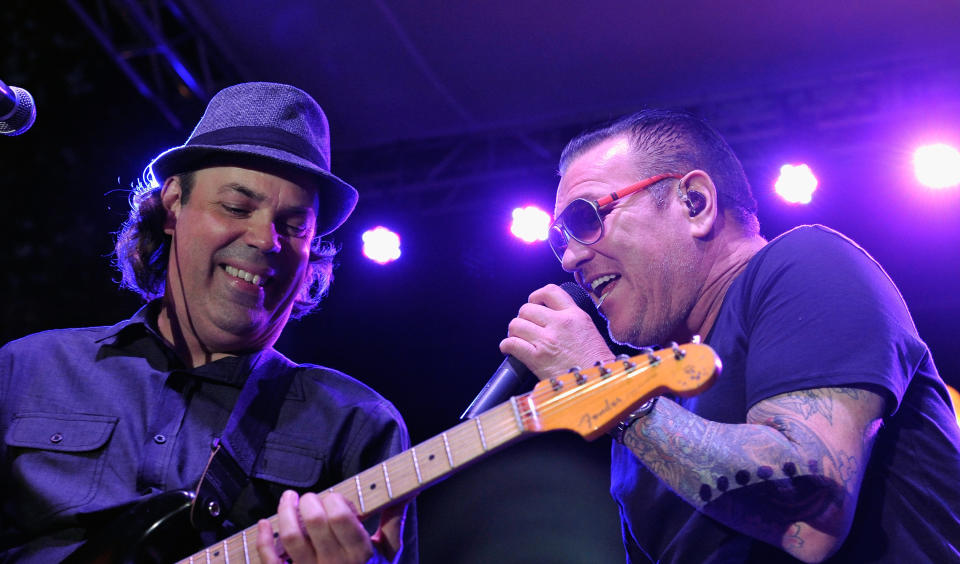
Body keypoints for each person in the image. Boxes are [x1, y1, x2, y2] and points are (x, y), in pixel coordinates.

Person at [500, 109, 960, 562]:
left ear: (694, 202)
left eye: (586, 220)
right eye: (561, 240)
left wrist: (606, 390)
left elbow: (810, 522)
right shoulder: (646, 405)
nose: (570, 259)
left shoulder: (808, 263)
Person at [0, 82, 417, 563]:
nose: (266, 240)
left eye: (294, 225)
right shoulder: (26, 369)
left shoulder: (356, 423)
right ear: (174, 203)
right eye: (238, 207)